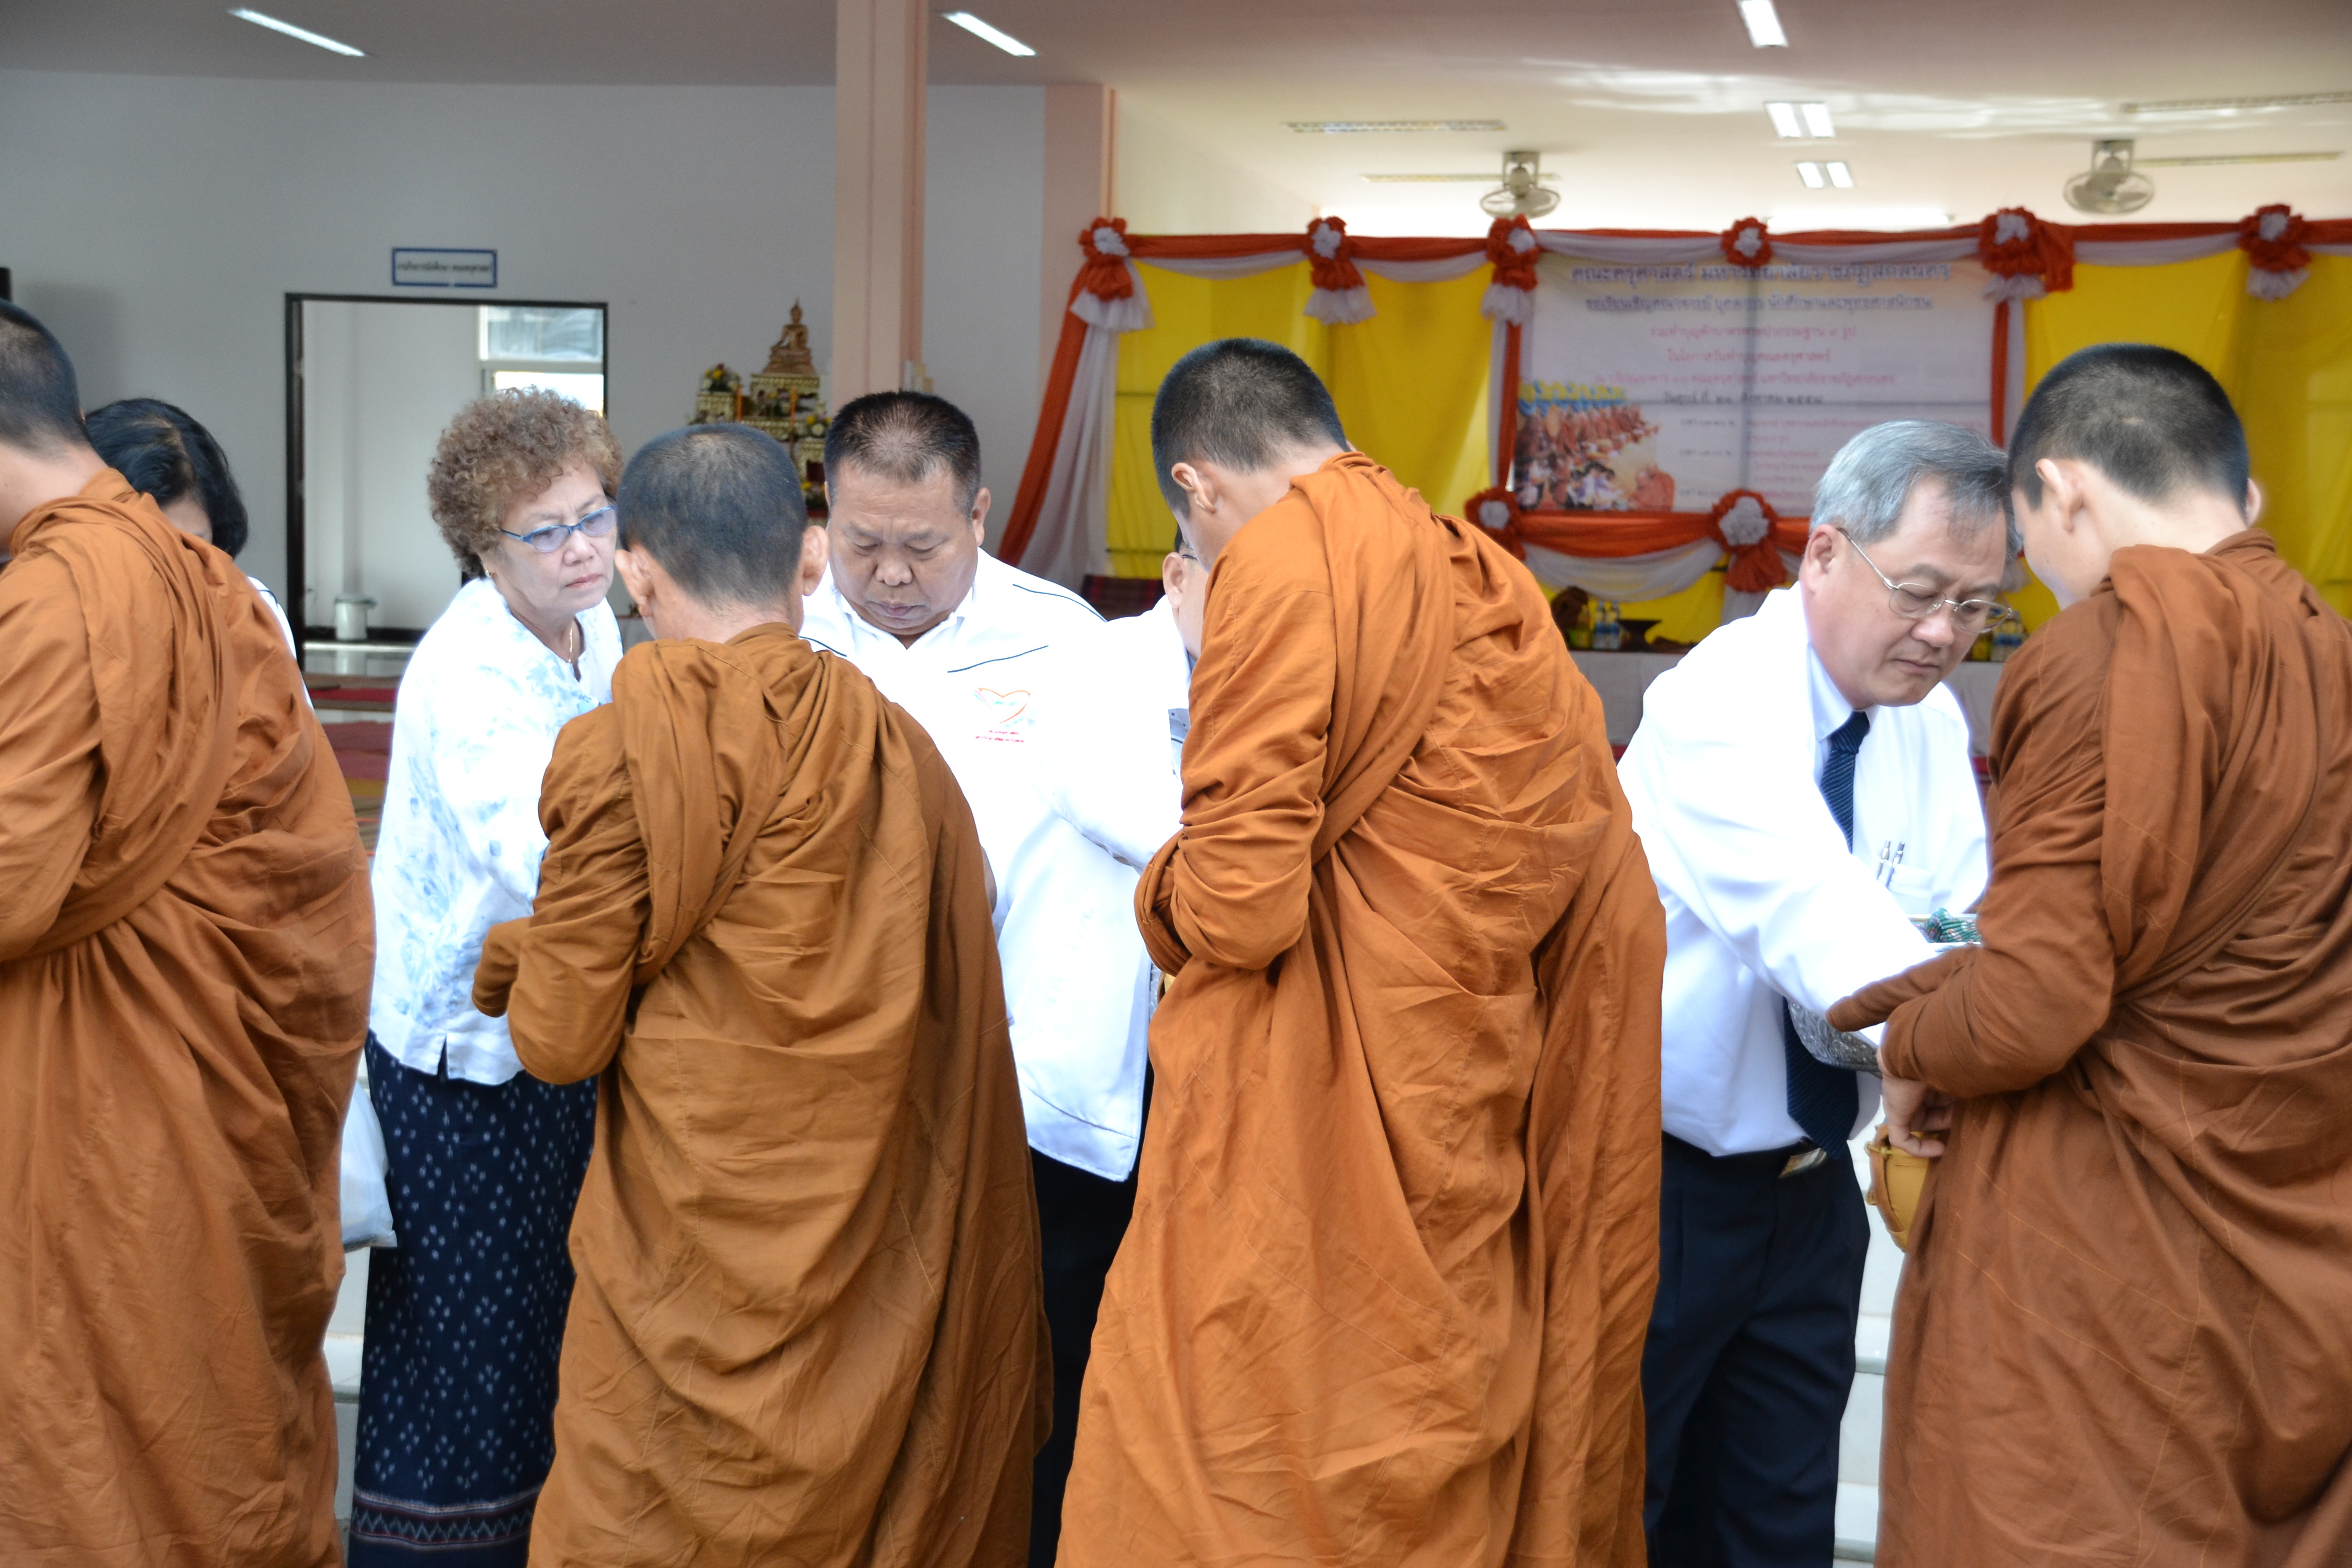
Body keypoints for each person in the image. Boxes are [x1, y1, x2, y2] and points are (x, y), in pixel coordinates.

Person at [1057, 338, 1666, 1564]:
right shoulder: (1490, 579)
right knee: (1426, 1420)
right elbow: (1578, 849)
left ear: (1196, 485)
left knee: (1245, 1458)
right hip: (1466, 1098)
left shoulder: (1280, 556)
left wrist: (1159, 891)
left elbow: (1239, 905)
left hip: (1305, 1131)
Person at [472, 423, 1048, 1565]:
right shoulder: (901, 754)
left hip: (686, 1271)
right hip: (870, 1252)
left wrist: (518, 955)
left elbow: (557, 1040)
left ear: (636, 572)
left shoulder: (620, 753)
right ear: (810, 561)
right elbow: (957, 952)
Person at [1827, 346, 2352, 1564]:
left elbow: (2033, 1007)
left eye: (2026, 548)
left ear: (2061, 490)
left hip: (2107, 1257)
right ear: (2243, 492)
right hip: (2301, 1226)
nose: (2043, 581)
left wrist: (1912, 1043)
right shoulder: (2332, 650)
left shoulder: (2108, 648)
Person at [0, 304, 372, 1562]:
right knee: (214, 1418)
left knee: (106, 1443)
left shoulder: (62, 593)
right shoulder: (214, 587)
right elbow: (310, 879)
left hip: (118, 1109)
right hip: (208, 1090)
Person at [1614, 419, 2007, 1565]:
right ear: (1825, 552)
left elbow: (1958, 924)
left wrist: (1951, 1025)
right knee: (1624, 1509)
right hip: (1660, 1189)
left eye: (1976, 608)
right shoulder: (1719, 700)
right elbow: (1825, 932)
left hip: (1810, 1192)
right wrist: (1955, 1045)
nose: (1942, 634)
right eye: (1919, 593)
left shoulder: (1927, 719)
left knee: (1778, 1524)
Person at [796, 392, 1147, 1564]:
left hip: (1027, 1088)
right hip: (843, 1091)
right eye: (863, 543)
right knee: (854, 1384)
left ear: (981, 515)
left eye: (925, 545)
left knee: (1028, 1381)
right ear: (827, 515)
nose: (892, 574)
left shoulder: (1068, 644)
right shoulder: (786, 640)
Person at [350, 389, 625, 1565]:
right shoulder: (469, 670)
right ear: (482, 544)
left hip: (555, 1029)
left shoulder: (594, 627)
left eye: (595, 516)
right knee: (460, 1346)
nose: (582, 549)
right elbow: (544, 853)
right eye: (545, 532)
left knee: (544, 1325)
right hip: (458, 1054)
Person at [84, 395, 297, 651]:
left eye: (192, 547)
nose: (174, 572)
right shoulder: (59, 616)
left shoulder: (252, 615)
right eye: (148, 549)